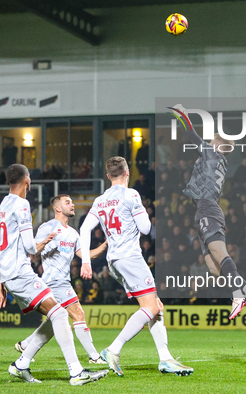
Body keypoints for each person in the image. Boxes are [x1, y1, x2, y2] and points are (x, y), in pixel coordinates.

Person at [0, 164, 108, 385]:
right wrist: (42, 242)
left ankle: (21, 363)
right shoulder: (23, 204)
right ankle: (76, 372)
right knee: (62, 315)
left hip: (9, 274)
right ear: (26, 180)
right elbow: (30, 247)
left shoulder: (3, 205)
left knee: (57, 315)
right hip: (21, 273)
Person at [80, 156, 193, 377]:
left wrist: (86, 260)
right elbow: (145, 227)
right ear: (127, 172)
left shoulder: (100, 200)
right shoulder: (131, 195)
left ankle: (165, 358)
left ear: (108, 175)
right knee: (151, 308)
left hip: (114, 261)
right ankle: (113, 349)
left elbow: (84, 230)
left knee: (155, 305)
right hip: (130, 257)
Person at [170, 104, 246, 319]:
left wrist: (180, 113)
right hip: (204, 210)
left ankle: (240, 293)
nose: (208, 143)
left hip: (207, 209)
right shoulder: (218, 161)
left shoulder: (211, 154)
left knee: (220, 255)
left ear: (217, 146)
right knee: (213, 268)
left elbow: (190, 133)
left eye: (211, 141)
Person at [13, 194, 108, 364]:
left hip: (62, 281)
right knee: (78, 313)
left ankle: (26, 345)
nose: (72, 205)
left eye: (72, 202)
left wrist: (106, 244)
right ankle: (94, 356)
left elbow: (86, 255)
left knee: (57, 319)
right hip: (53, 282)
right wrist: (46, 241)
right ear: (58, 208)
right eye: (67, 202)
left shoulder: (73, 234)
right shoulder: (48, 227)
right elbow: (33, 249)